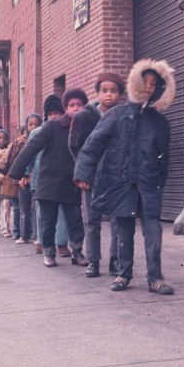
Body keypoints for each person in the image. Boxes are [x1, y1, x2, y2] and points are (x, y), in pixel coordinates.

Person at [73, 59, 175, 295]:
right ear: (136, 83)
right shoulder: (117, 115)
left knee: (153, 230)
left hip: (148, 184)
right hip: (120, 183)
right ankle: (123, 273)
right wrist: (83, 173)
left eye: (154, 84)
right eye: (145, 82)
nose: (149, 88)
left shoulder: (160, 122)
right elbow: (93, 145)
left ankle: (155, 277)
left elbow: (164, 157)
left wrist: (159, 183)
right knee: (123, 228)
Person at [9, 90, 89, 268]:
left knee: (75, 220)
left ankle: (76, 251)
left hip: (72, 181)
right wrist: (16, 172)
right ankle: (49, 252)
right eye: (71, 105)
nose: (76, 109)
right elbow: (31, 147)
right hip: (48, 182)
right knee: (47, 220)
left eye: (80, 105)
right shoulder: (52, 127)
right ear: (65, 108)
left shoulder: (86, 128)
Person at [69, 72, 125, 278]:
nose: (108, 95)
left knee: (118, 220)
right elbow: (75, 146)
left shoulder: (123, 115)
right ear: (97, 92)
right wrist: (83, 174)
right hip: (92, 177)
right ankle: (93, 260)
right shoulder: (85, 116)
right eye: (104, 91)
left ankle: (116, 260)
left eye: (113, 91)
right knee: (92, 220)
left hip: (116, 177)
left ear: (119, 94)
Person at [28, 98, 71, 256]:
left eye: (57, 113)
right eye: (51, 114)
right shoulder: (37, 132)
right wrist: (26, 173)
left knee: (61, 213)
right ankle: (43, 241)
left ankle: (61, 243)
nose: (54, 117)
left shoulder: (67, 130)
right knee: (42, 214)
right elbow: (30, 153)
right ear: (46, 116)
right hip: (41, 178)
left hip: (61, 177)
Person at [16, 114, 42, 244]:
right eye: (31, 125)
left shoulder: (43, 138)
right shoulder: (21, 142)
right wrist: (22, 174)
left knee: (36, 208)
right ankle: (24, 234)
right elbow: (22, 159)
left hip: (37, 179)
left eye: (36, 125)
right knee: (25, 209)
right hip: (26, 179)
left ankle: (36, 235)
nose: (33, 128)